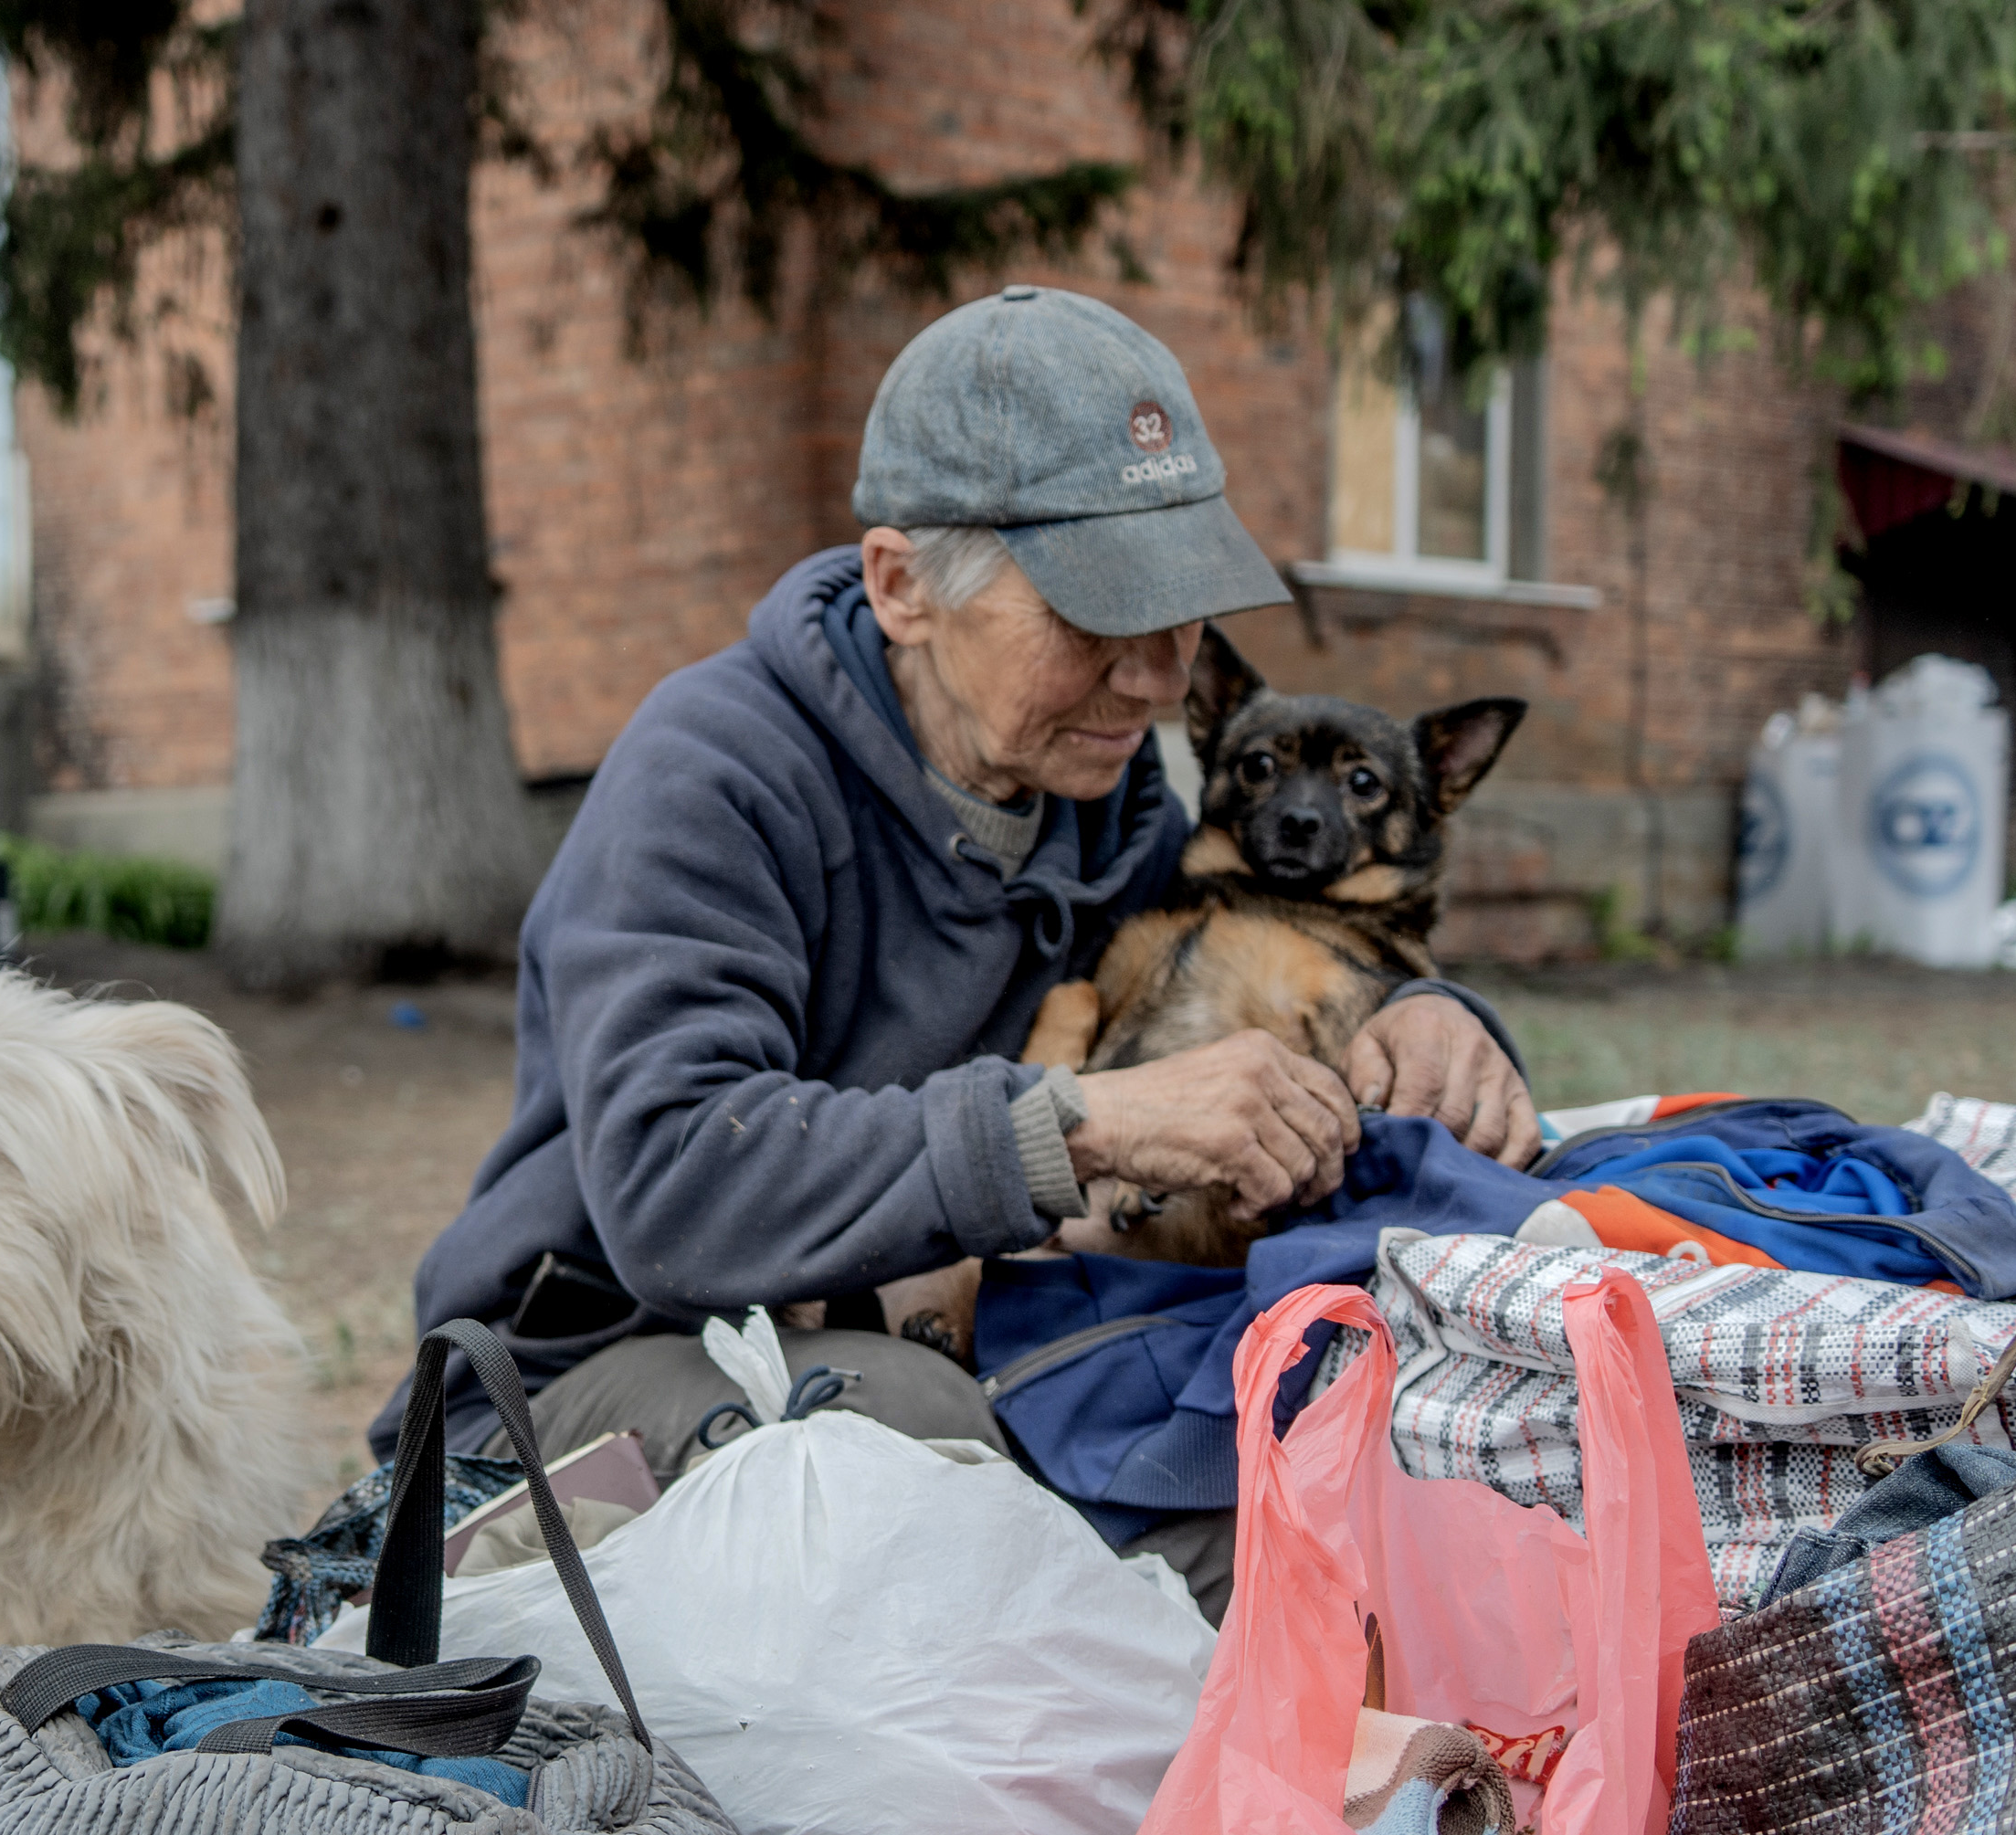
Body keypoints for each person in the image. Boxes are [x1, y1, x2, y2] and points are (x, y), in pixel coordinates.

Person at [393, 286, 1536, 1598]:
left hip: (943, 1326)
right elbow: (675, 1188)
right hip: (585, 1369)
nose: (1160, 680)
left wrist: (1427, 1012)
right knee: (913, 1455)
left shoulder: (1100, 796)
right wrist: (1078, 1126)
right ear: (901, 587)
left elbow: (1252, 955)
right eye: (1098, 615)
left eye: (1176, 612)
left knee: (1284, 1498)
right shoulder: (707, 775)